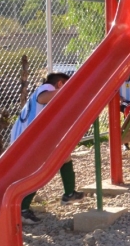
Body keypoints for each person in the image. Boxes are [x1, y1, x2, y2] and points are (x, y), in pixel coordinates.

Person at [10, 72, 84, 224]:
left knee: (65, 156)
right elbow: (43, 97)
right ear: (60, 84)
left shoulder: (49, 93)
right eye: (66, 85)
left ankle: (69, 193)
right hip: (25, 140)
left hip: (31, 138)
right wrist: (70, 89)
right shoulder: (46, 88)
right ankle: (22, 210)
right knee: (39, 171)